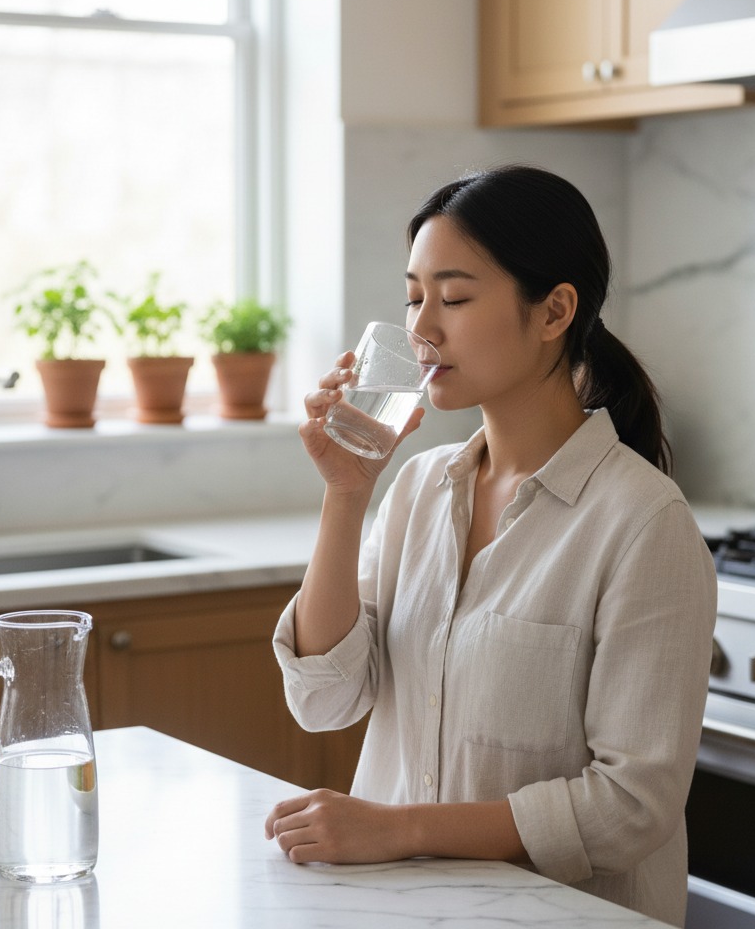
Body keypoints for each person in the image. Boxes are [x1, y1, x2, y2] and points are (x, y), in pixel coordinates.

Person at [263, 164, 716, 927]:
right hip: (413, 911)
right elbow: (322, 699)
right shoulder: (415, 487)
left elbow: (631, 806)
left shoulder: (643, 524)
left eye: (456, 297)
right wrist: (347, 493)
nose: (422, 329)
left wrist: (399, 829)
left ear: (554, 311)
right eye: (413, 297)